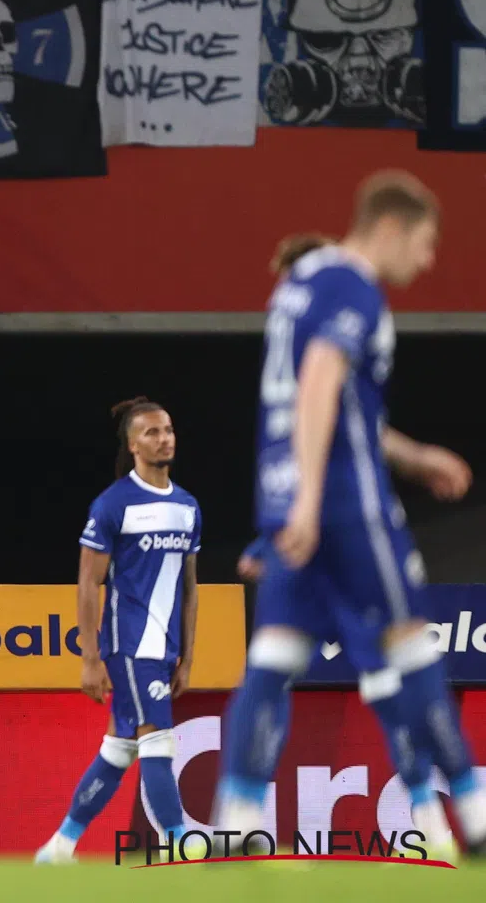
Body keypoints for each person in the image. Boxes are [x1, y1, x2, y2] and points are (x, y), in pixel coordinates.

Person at [214, 173, 486, 854]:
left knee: (273, 655)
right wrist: (313, 495)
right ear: (390, 228)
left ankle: (238, 812)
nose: (425, 262)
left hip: (282, 493)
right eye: (424, 244)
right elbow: (319, 382)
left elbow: (342, 406)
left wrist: (413, 455)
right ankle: (474, 807)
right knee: (409, 643)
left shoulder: (300, 280)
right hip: (344, 499)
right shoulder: (352, 286)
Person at [33, 398, 199, 864]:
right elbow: (89, 582)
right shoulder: (113, 505)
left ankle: (60, 846)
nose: (163, 437)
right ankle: (180, 844)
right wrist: (90, 657)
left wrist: (187, 656)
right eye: (151, 432)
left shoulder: (188, 507)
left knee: (120, 749)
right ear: (133, 445)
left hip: (164, 649)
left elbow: (189, 589)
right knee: (158, 740)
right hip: (129, 645)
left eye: (167, 429)